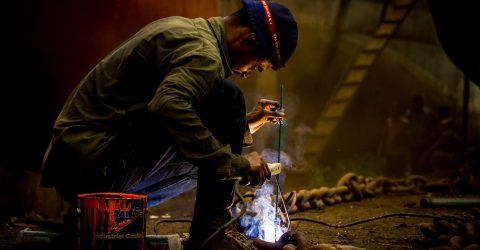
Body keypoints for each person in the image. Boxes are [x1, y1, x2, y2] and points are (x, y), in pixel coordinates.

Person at [40, 0, 298, 249]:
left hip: (79, 166)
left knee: (216, 139)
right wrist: (238, 164)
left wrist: (244, 126)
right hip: (93, 168)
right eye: (257, 65)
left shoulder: (189, 30)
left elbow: (163, 111)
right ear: (249, 40)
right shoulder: (204, 54)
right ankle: (209, 236)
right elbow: (168, 107)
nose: (246, 72)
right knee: (227, 99)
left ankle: (88, 216)